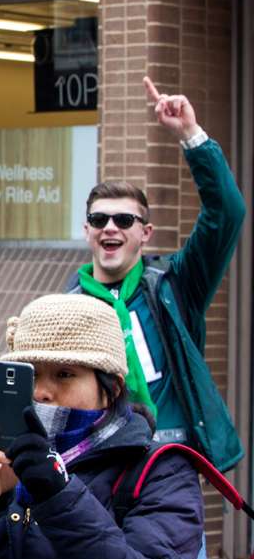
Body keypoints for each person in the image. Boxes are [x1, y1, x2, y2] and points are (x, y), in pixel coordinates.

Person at [0, 293, 204, 559]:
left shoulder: (161, 471)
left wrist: (57, 492)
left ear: (113, 388)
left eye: (63, 374)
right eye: (31, 375)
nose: (42, 392)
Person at [65, 78, 245, 473]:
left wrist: (190, 136)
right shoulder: (68, 309)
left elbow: (226, 212)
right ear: (87, 230)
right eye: (99, 219)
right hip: (100, 472)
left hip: (171, 467)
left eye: (124, 219)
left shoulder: (174, 285)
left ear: (145, 233)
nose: (110, 227)